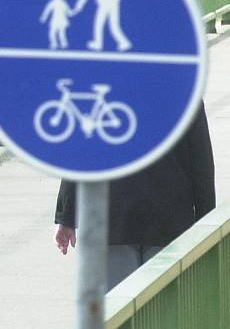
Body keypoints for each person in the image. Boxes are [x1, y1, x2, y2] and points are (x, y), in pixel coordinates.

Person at [54, 103, 216, 291]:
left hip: (112, 218)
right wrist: (206, 224)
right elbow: (201, 165)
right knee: (164, 309)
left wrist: (66, 216)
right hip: (168, 222)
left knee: (117, 309)